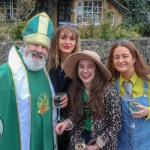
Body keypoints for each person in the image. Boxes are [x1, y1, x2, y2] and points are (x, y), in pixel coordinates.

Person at [0, 12, 56, 150]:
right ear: (25, 44)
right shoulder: (7, 72)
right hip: (15, 141)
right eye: (35, 44)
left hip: (42, 139)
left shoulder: (44, 72)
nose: (39, 50)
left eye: (44, 47)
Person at [55, 50, 122, 150]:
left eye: (90, 66)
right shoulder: (74, 89)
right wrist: (67, 122)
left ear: (96, 69)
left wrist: (97, 145)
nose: (85, 71)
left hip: (103, 143)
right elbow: (74, 115)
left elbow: (116, 124)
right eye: (81, 66)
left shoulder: (109, 91)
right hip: (79, 140)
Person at [106, 40, 150, 150]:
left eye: (125, 56)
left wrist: (148, 111)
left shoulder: (148, 79)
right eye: (116, 57)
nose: (120, 60)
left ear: (134, 59)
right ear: (112, 61)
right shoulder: (110, 84)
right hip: (121, 146)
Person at [46, 24, 81, 150]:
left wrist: (70, 96)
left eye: (72, 39)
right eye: (63, 38)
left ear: (76, 43)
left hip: (72, 120)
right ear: (57, 40)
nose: (67, 42)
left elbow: (87, 92)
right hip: (49, 117)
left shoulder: (80, 66)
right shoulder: (47, 63)